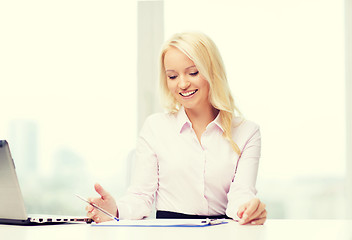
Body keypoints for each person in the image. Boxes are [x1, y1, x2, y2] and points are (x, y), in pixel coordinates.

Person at [86, 32, 267, 225]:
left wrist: (249, 211)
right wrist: (115, 210)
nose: (182, 83)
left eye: (193, 72)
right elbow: (140, 195)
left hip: (223, 232)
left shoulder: (247, 132)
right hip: (168, 232)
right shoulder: (155, 127)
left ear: (212, 72)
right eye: (172, 76)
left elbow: (241, 194)